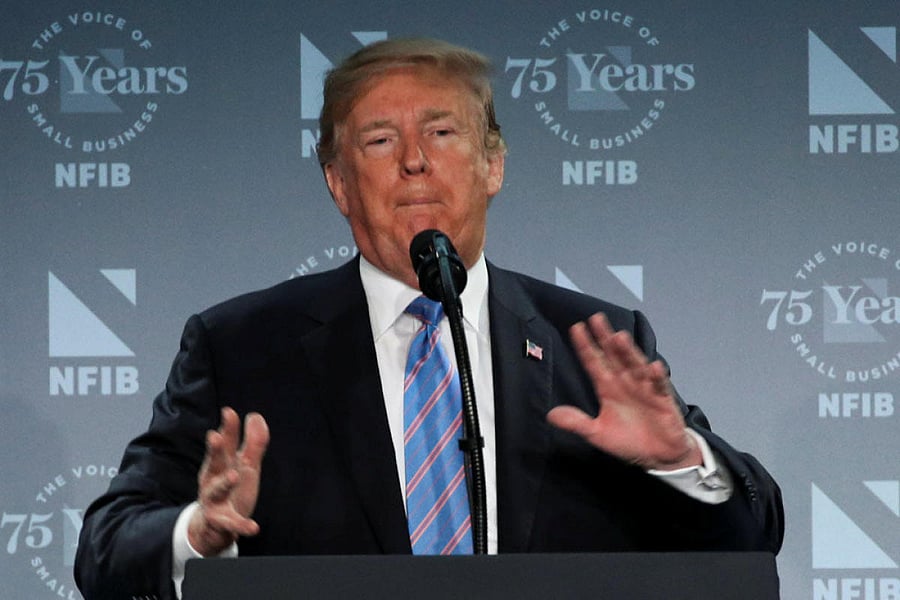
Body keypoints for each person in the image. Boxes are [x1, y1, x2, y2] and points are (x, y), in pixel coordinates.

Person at [74, 38, 784, 600]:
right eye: (379, 140)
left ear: (493, 165)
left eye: (442, 132)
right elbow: (105, 550)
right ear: (337, 182)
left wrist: (680, 463)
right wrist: (200, 532)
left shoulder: (593, 345)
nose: (414, 161)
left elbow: (752, 538)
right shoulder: (243, 349)